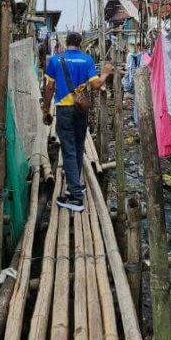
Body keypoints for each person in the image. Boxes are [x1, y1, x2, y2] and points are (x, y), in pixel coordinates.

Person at [43, 31, 113, 211]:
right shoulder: (87, 60)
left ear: (66, 43)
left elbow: (49, 87)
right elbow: (97, 85)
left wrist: (45, 110)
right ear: (80, 44)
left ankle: (75, 197)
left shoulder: (56, 60)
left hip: (64, 110)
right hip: (81, 110)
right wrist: (105, 73)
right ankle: (77, 184)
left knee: (68, 150)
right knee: (78, 146)